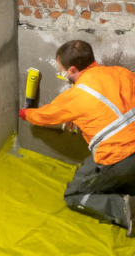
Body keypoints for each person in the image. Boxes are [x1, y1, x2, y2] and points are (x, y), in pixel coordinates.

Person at [19, 40, 135, 238]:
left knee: (74, 195)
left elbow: (45, 115)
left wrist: (26, 113)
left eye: (62, 70)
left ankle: (127, 209)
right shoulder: (121, 73)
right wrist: (81, 117)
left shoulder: (75, 95)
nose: (63, 74)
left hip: (119, 156)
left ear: (72, 69)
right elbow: (112, 110)